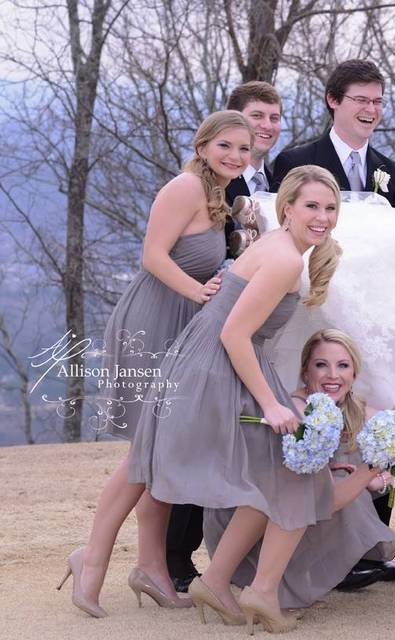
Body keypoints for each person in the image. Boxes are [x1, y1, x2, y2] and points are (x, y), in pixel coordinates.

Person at [129, 166, 376, 634]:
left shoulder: (283, 249)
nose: (322, 217)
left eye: (330, 208)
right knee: (294, 472)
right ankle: (252, 588)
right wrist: (273, 404)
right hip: (218, 368)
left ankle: (225, 582)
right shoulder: (284, 258)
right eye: (311, 207)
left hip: (216, 360)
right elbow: (234, 334)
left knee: (282, 475)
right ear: (286, 208)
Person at [58, 111, 251, 618]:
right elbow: (152, 255)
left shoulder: (221, 197)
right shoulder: (185, 187)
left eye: (244, 150)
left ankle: (150, 566)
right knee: (145, 452)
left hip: (185, 321)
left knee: (162, 452)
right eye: (225, 146)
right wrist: (200, 292)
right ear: (204, 144)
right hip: (154, 319)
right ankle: (92, 558)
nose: (234, 156)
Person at [203, 329, 395, 607]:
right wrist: (369, 471)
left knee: (345, 480)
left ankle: (338, 566)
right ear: (305, 372)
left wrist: (385, 478)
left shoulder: (353, 407)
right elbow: (325, 500)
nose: (333, 376)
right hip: (251, 525)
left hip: (295, 516)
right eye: (321, 365)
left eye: (343, 366)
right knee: (344, 486)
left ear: (354, 373)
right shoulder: (297, 411)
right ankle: (271, 582)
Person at [165, 81, 286, 595]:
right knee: (188, 436)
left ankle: (222, 559)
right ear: (227, 125)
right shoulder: (209, 182)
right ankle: (173, 557)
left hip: (255, 323)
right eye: (256, 116)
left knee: (226, 440)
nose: (265, 127)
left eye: (275, 117)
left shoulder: (275, 177)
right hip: (201, 317)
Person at [271, 59, 395, 209]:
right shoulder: (295, 164)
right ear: (333, 100)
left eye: (377, 101)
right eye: (361, 100)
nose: (371, 109)